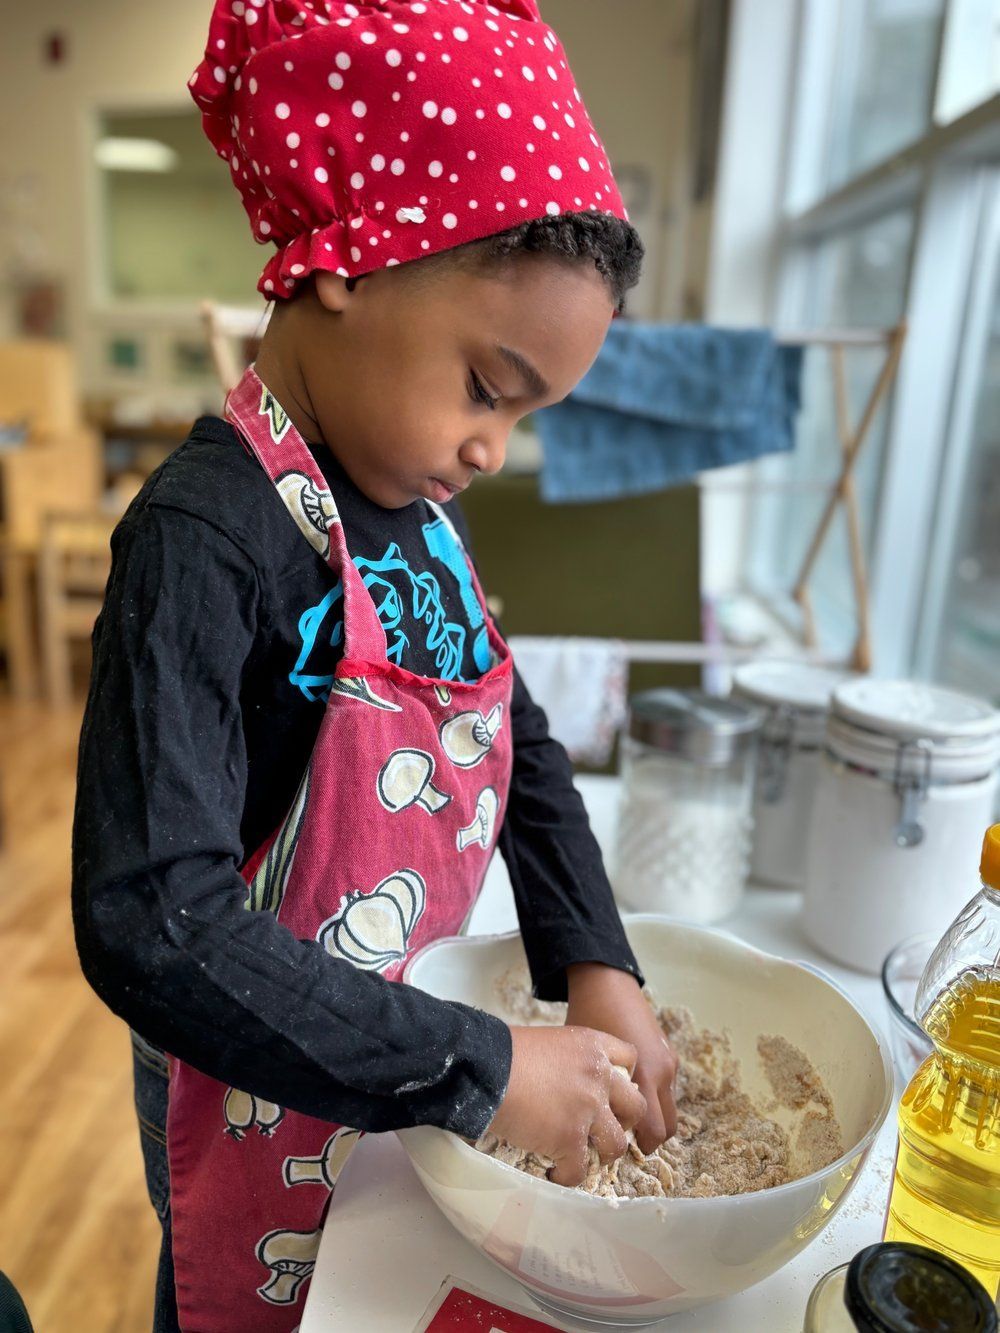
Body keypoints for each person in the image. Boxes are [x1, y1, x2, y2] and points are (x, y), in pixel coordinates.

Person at [71, 2, 677, 1329]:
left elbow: (509, 732)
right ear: (350, 257)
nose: (492, 450)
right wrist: (483, 1060)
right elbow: (150, 920)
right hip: (259, 1077)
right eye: (485, 383)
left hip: (412, 1055)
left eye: (524, 413)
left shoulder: (410, 506)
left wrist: (596, 957)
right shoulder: (205, 538)